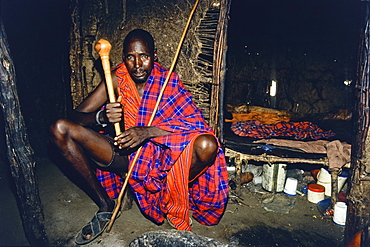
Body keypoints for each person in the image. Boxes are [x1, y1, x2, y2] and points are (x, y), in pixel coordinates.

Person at [49, 29, 229, 245]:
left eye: (144, 56)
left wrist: (146, 132)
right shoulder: (116, 78)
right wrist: (101, 116)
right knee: (59, 128)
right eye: (130, 57)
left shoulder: (168, 82)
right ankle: (105, 204)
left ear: (154, 55)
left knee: (207, 144)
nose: (137, 64)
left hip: (163, 157)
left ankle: (170, 194)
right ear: (123, 58)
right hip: (122, 152)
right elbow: (75, 116)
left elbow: (194, 125)